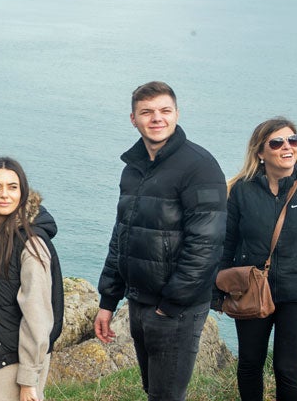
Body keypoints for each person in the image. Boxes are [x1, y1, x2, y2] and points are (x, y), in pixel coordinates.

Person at [94, 81, 227, 401]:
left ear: (177, 114)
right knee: (153, 391)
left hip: (176, 309)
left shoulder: (199, 166)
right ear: (133, 119)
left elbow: (206, 244)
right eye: (147, 112)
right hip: (139, 301)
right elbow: (122, 234)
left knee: (166, 396)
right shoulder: (134, 169)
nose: (157, 118)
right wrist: (108, 300)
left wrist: (170, 305)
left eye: (165, 111)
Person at [219, 117, 297, 401]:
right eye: (277, 142)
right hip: (251, 290)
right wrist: (217, 292)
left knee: (287, 368)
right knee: (250, 364)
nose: (287, 147)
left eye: (293, 140)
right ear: (260, 152)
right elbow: (225, 244)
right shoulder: (241, 190)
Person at [0, 157, 63, 401]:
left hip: (13, 367)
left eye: (12, 187)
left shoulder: (32, 246)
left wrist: (28, 382)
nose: (4, 194)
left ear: (22, 193)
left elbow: (37, 320)